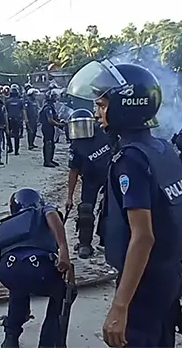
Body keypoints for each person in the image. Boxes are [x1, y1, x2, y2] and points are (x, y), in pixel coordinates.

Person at [67, 60, 182, 347]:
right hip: (172, 272)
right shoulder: (161, 148)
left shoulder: (130, 160)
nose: (97, 113)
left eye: (102, 106)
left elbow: (143, 236)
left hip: (146, 281)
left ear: (124, 107)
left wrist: (120, 306)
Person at [0, 188, 72, 348]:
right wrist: (63, 249)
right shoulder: (42, 210)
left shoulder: (5, 224)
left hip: (6, 270)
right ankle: (48, 343)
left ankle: (10, 338)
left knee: (18, 288)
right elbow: (51, 214)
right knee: (63, 292)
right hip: (36, 267)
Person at [65, 108, 113, 259]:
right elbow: (73, 171)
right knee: (86, 209)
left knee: (110, 207)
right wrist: (69, 197)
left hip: (111, 175)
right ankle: (84, 243)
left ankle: (108, 240)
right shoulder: (76, 145)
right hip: (90, 178)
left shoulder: (105, 132)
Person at [39, 89, 61, 168]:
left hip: (49, 127)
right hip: (47, 127)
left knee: (52, 144)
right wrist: (59, 124)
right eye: (54, 96)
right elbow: (50, 120)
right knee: (48, 143)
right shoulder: (48, 107)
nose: (56, 98)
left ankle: (50, 160)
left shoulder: (51, 106)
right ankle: (47, 161)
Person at [6, 84, 26, 155]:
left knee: (8, 134)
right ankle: (16, 151)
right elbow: (23, 111)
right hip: (17, 120)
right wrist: (24, 119)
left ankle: (10, 148)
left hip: (9, 120)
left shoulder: (7, 101)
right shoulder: (20, 101)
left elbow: (5, 112)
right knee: (16, 136)